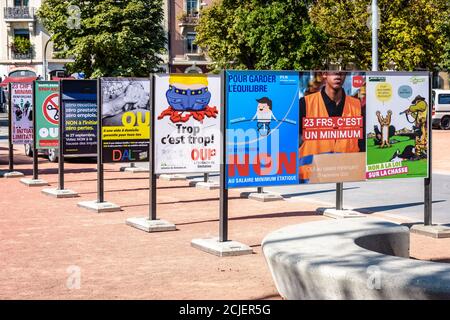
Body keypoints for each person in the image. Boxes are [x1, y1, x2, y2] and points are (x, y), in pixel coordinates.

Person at [299, 71, 363, 183]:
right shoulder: (305, 104)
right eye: (334, 72)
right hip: (311, 182)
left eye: (342, 73)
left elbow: (362, 146)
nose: (338, 75)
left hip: (348, 180)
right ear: (324, 74)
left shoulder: (357, 106)